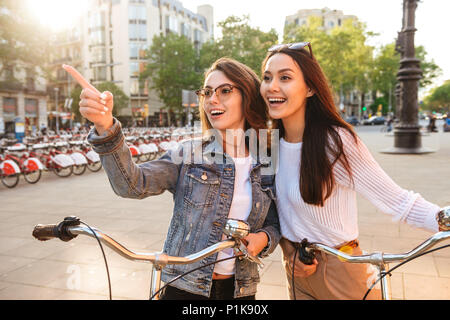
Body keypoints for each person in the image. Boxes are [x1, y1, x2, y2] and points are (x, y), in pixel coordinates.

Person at [62, 58, 280, 300]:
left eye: (225, 91)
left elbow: (275, 223)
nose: (212, 100)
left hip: (240, 291)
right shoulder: (187, 155)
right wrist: (105, 127)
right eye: (207, 93)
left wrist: (265, 238)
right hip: (184, 288)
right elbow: (132, 184)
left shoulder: (267, 162)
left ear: (247, 95)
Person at [259, 42, 445, 300]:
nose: (272, 86)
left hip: (342, 271)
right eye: (267, 78)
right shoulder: (269, 145)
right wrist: (288, 252)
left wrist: (443, 218)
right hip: (296, 272)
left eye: (285, 77)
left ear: (310, 88)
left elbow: (398, 201)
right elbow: (276, 213)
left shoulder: (337, 142)